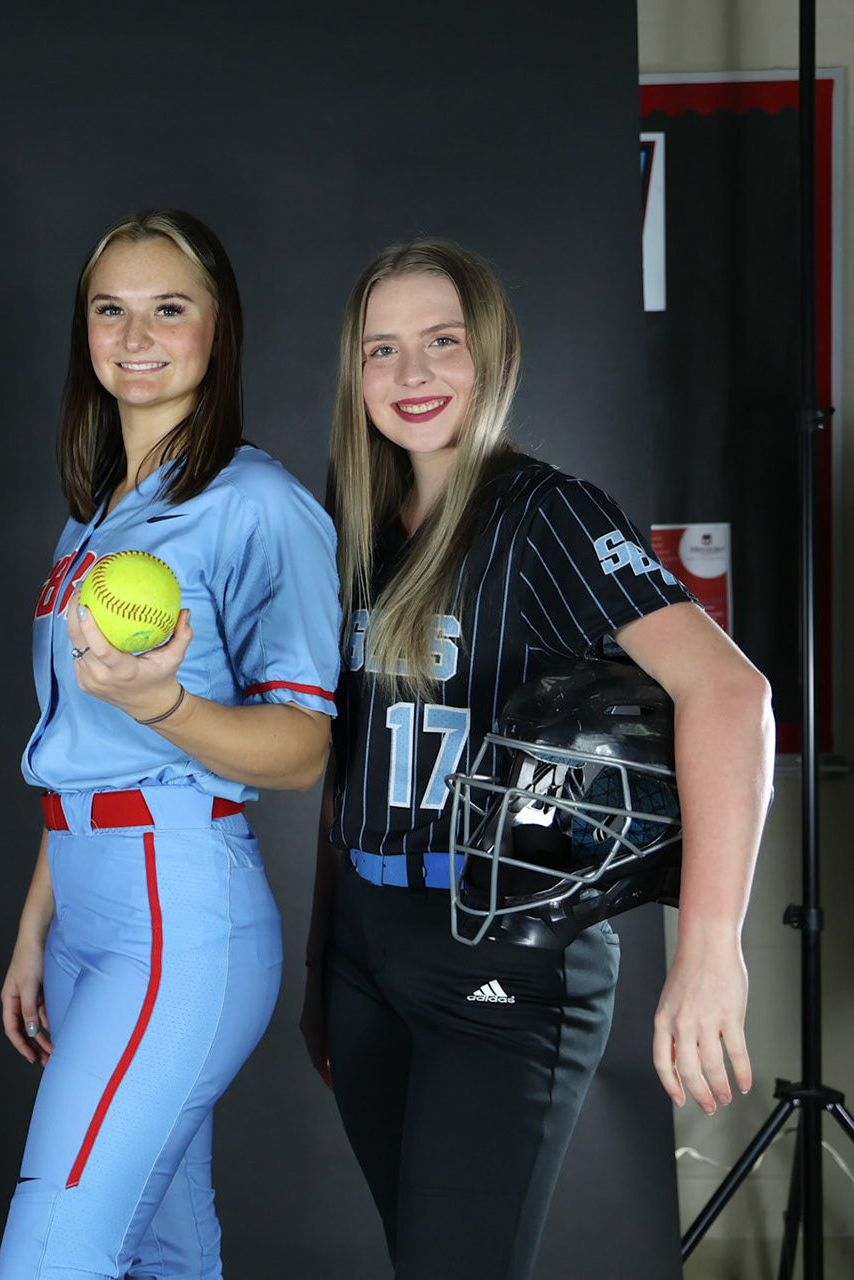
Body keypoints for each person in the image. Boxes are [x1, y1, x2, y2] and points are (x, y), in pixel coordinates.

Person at [300, 238, 772, 1280]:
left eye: (441, 342)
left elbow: (731, 692)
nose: (411, 374)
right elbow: (349, 762)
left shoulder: (548, 511)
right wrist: (324, 960)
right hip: (368, 945)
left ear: (493, 354)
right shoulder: (355, 520)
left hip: (503, 946)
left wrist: (709, 944)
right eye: (383, 349)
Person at [0, 209, 341, 1279]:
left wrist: (163, 707)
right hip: (84, 902)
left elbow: (304, 748)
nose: (135, 335)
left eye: (168, 308)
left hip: (177, 906)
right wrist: (33, 926)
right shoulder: (93, 517)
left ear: (217, 329)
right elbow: (74, 747)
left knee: (54, 1254)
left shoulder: (260, 503)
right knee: (168, 1244)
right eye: (111, 309)